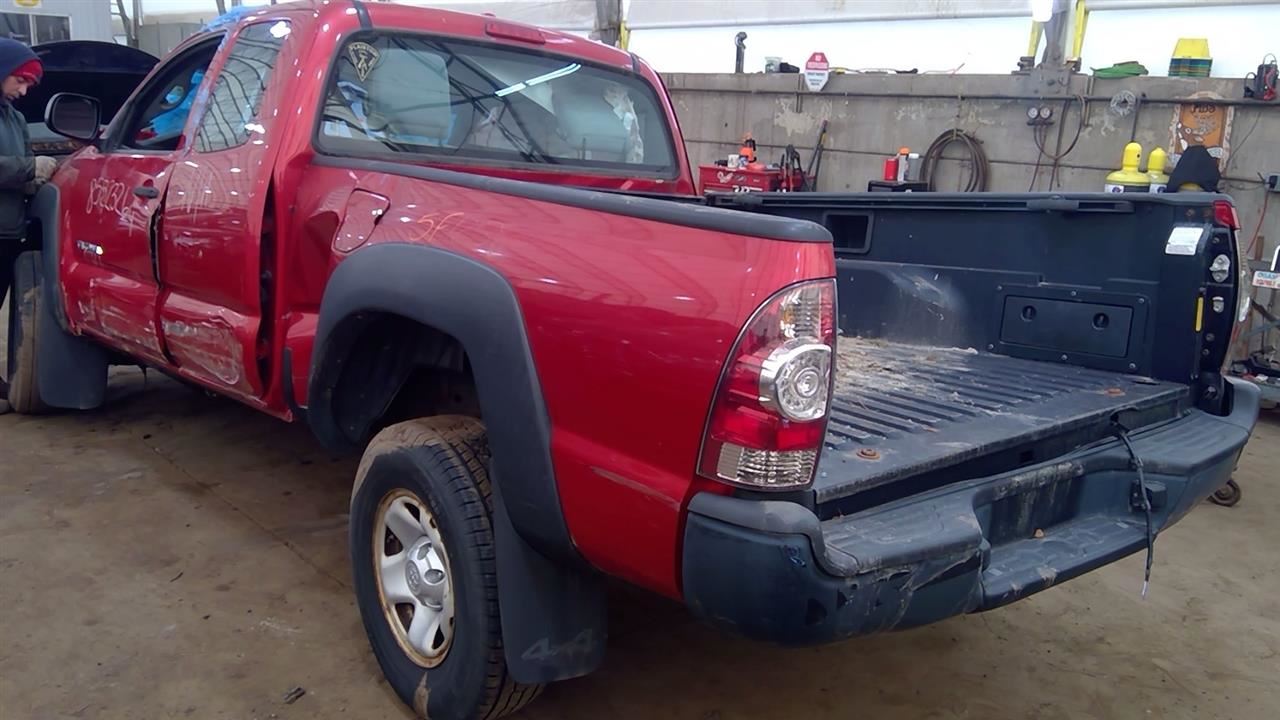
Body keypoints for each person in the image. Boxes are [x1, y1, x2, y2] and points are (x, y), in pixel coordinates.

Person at [0, 39, 56, 414]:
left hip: (8, 229)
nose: (23, 91)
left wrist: (34, 180)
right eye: (20, 81)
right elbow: (17, 165)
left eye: (29, 85)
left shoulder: (14, 117)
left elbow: (21, 162)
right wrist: (28, 169)